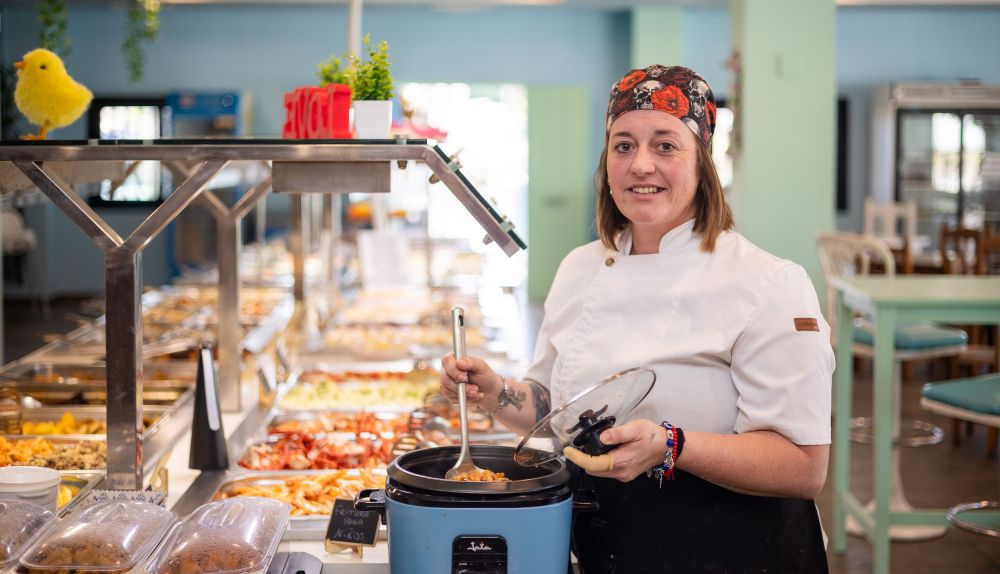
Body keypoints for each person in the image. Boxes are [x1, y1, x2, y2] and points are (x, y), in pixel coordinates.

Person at [440, 64, 834, 573]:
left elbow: (803, 468)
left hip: (733, 550)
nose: (640, 164)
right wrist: (495, 391)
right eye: (623, 146)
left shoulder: (769, 283)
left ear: (702, 161)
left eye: (665, 145)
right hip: (610, 548)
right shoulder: (580, 266)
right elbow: (552, 406)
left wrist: (672, 445)